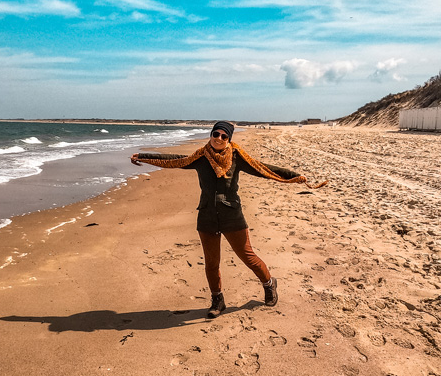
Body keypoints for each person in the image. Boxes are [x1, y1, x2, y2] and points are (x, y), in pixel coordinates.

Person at [130, 121, 326, 319]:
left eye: (224, 136)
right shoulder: (200, 157)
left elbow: (263, 168)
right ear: (211, 135)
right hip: (206, 216)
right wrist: (144, 157)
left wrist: (294, 176)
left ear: (229, 139)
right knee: (211, 263)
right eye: (216, 134)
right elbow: (176, 160)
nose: (219, 139)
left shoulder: (237, 158)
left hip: (232, 216)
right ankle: (218, 300)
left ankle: (269, 283)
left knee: (247, 256)